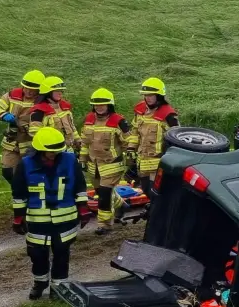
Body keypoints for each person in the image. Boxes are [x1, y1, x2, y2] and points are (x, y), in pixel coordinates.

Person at [13, 127, 91, 299]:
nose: (54, 154)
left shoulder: (70, 161)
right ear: (39, 149)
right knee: (37, 254)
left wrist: (83, 209)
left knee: (62, 254)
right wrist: (18, 217)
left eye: (57, 151)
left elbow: (80, 187)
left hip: (66, 219)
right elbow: (19, 193)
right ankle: (40, 283)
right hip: (37, 220)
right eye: (50, 151)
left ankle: (59, 287)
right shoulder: (25, 165)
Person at [79, 88, 133, 235]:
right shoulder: (89, 119)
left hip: (112, 164)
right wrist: (82, 159)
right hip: (93, 164)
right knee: (100, 191)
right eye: (96, 105)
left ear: (110, 105)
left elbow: (128, 142)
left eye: (103, 104)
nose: (99, 107)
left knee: (104, 193)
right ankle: (121, 205)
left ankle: (105, 225)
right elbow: (85, 143)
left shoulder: (119, 121)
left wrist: (130, 160)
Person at [0, 69, 44, 190]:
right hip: (11, 141)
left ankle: (31, 198)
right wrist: (4, 115)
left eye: (32, 89)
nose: (28, 91)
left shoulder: (42, 102)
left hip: (30, 143)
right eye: (26, 87)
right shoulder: (13, 95)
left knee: (32, 173)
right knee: (7, 171)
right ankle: (21, 194)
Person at [128, 77, 180, 193]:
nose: (148, 98)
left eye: (151, 95)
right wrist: (131, 148)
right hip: (142, 161)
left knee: (156, 193)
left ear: (159, 96)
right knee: (146, 190)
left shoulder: (168, 115)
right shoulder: (140, 111)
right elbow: (135, 132)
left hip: (158, 162)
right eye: (146, 95)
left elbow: (176, 139)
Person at [28, 76, 79, 155]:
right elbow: (35, 134)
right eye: (57, 91)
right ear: (48, 92)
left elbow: (72, 127)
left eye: (61, 91)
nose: (60, 93)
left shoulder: (65, 108)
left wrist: (77, 140)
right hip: (50, 152)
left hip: (68, 150)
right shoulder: (39, 111)